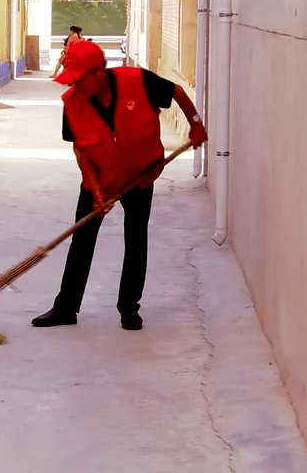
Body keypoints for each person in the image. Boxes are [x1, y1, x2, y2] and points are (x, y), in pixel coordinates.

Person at [32, 41, 207, 330]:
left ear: (98, 72)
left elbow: (175, 92)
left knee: (136, 238)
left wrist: (196, 123)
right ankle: (65, 307)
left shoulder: (138, 80)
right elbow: (80, 150)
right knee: (82, 240)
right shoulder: (72, 103)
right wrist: (98, 192)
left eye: (80, 78)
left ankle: (129, 308)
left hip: (141, 175)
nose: (75, 84)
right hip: (99, 178)